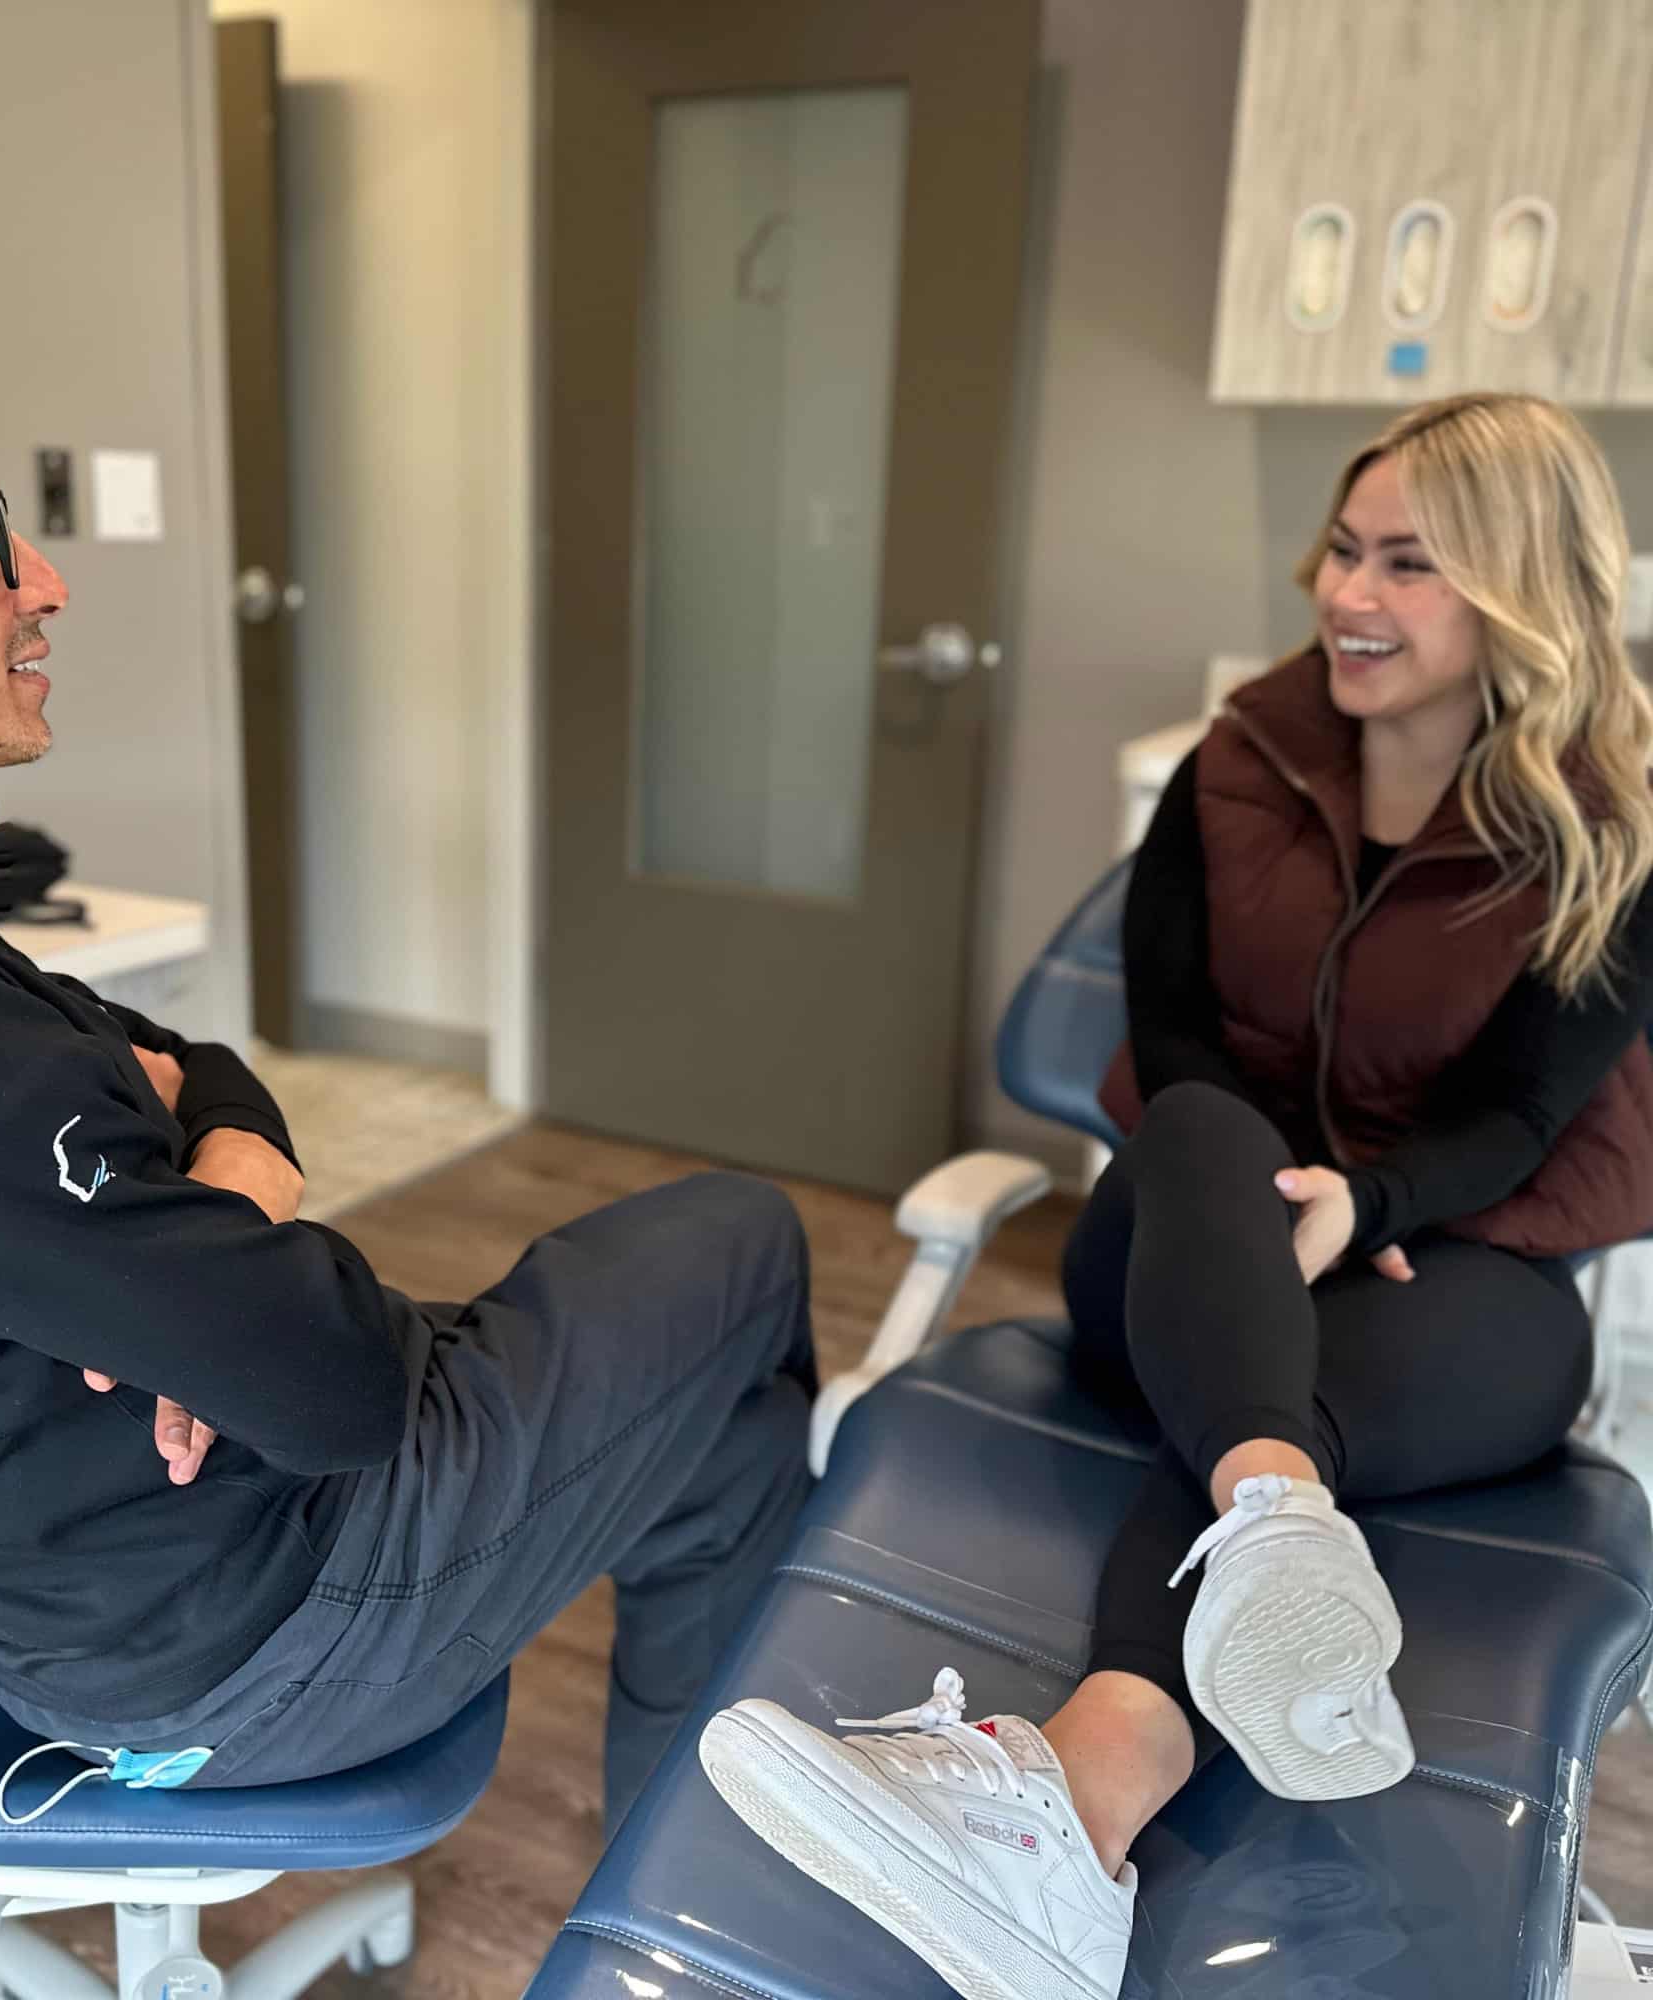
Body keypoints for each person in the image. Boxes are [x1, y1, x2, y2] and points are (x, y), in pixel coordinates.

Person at [0, 313, 817, 1838]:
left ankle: (720, 1853)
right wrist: (218, 1239)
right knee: (738, 1238)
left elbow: (187, 1065)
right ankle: (730, 1860)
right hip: (241, 1640)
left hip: (94, 1557)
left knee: (715, 1425)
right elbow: (335, 1387)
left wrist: (229, 1174)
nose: (44, 583)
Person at [697, 391, 1653, 2000]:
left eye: (1407, 563)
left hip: (1443, 1266)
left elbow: (1521, 1116)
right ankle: (1272, 1511)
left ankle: (1076, 1809)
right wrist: (1277, 1215)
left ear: (1520, 591)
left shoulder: (1608, 837)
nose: (1347, 593)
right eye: (1342, 550)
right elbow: (1174, 1034)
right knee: (1203, 1127)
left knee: (1273, 1399)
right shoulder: (1239, 761)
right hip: (1193, 1232)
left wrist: (1368, 1205)